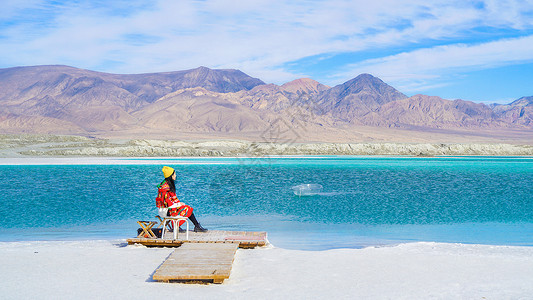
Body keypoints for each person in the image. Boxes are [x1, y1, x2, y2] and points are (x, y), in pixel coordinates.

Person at [156, 166, 207, 232]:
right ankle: (178, 226)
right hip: (165, 211)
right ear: (170, 175)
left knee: (185, 207)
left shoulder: (166, 185)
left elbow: (173, 199)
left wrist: (179, 204)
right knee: (188, 208)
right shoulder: (165, 189)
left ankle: (195, 226)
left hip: (166, 209)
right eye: (174, 174)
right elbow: (168, 204)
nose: (175, 176)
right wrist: (178, 204)